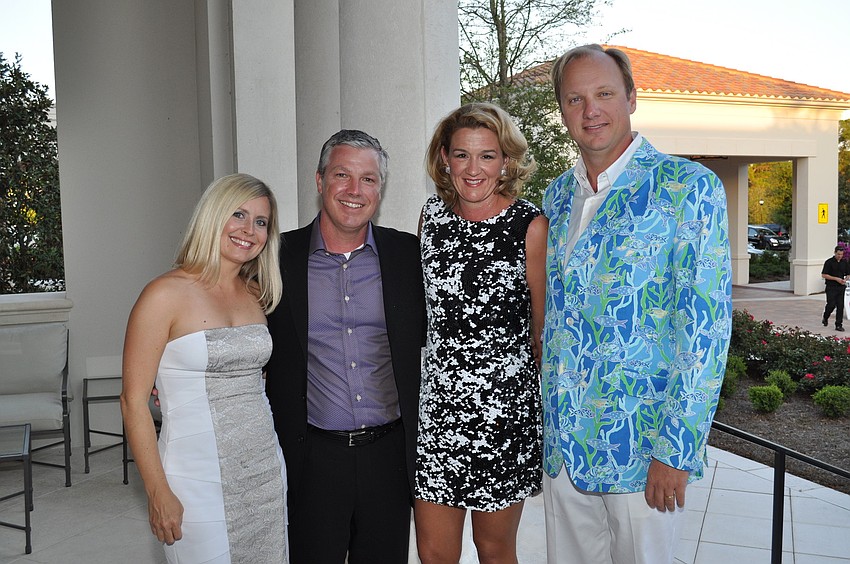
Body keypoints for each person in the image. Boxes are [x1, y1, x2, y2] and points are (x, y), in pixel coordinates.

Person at [541, 44, 732, 564]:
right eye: (575, 99)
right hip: (564, 453)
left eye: (603, 93)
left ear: (631, 97)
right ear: (563, 111)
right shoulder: (556, 197)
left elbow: (706, 331)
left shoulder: (688, 188)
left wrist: (677, 450)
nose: (590, 110)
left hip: (643, 451)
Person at [264, 130, 426, 563]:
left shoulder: (409, 256)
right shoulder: (276, 258)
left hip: (390, 457)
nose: (355, 191)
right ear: (320, 181)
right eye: (342, 175)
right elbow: (223, 309)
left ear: (380, 188)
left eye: (368, 179)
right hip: (311, 456)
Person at [121, 173, 288, 563]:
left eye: (261, 222)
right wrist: (157, 491)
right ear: (213, 216)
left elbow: (253, 379)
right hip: (194, 477)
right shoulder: (163, 294)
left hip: (264, 469)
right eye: (239, 215)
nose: (249, 230)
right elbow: (132, 402)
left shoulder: (256, 292)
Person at [414, 102, 547, 563]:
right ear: (445, 159)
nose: (474, 169)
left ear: (506, 161)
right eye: (462, 155)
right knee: (434, 552)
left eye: (487, 155)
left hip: (504, 415)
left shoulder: (530, 226)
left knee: (493, 549)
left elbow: (541, 331)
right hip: (437, 413)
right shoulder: (431, 218)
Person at [821, 245, 848, 331]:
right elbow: (824, 275)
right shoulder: (829, 262)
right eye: (838, 254)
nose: (840, 256)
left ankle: (838, 325)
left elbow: (848, 274)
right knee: (831, 304)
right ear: (835, 253)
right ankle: (825, 316)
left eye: (841, 254)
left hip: (841, 287)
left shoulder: (844, 262)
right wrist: (836, 279)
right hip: (831, 287)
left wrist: (845, 279)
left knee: (840, 306)